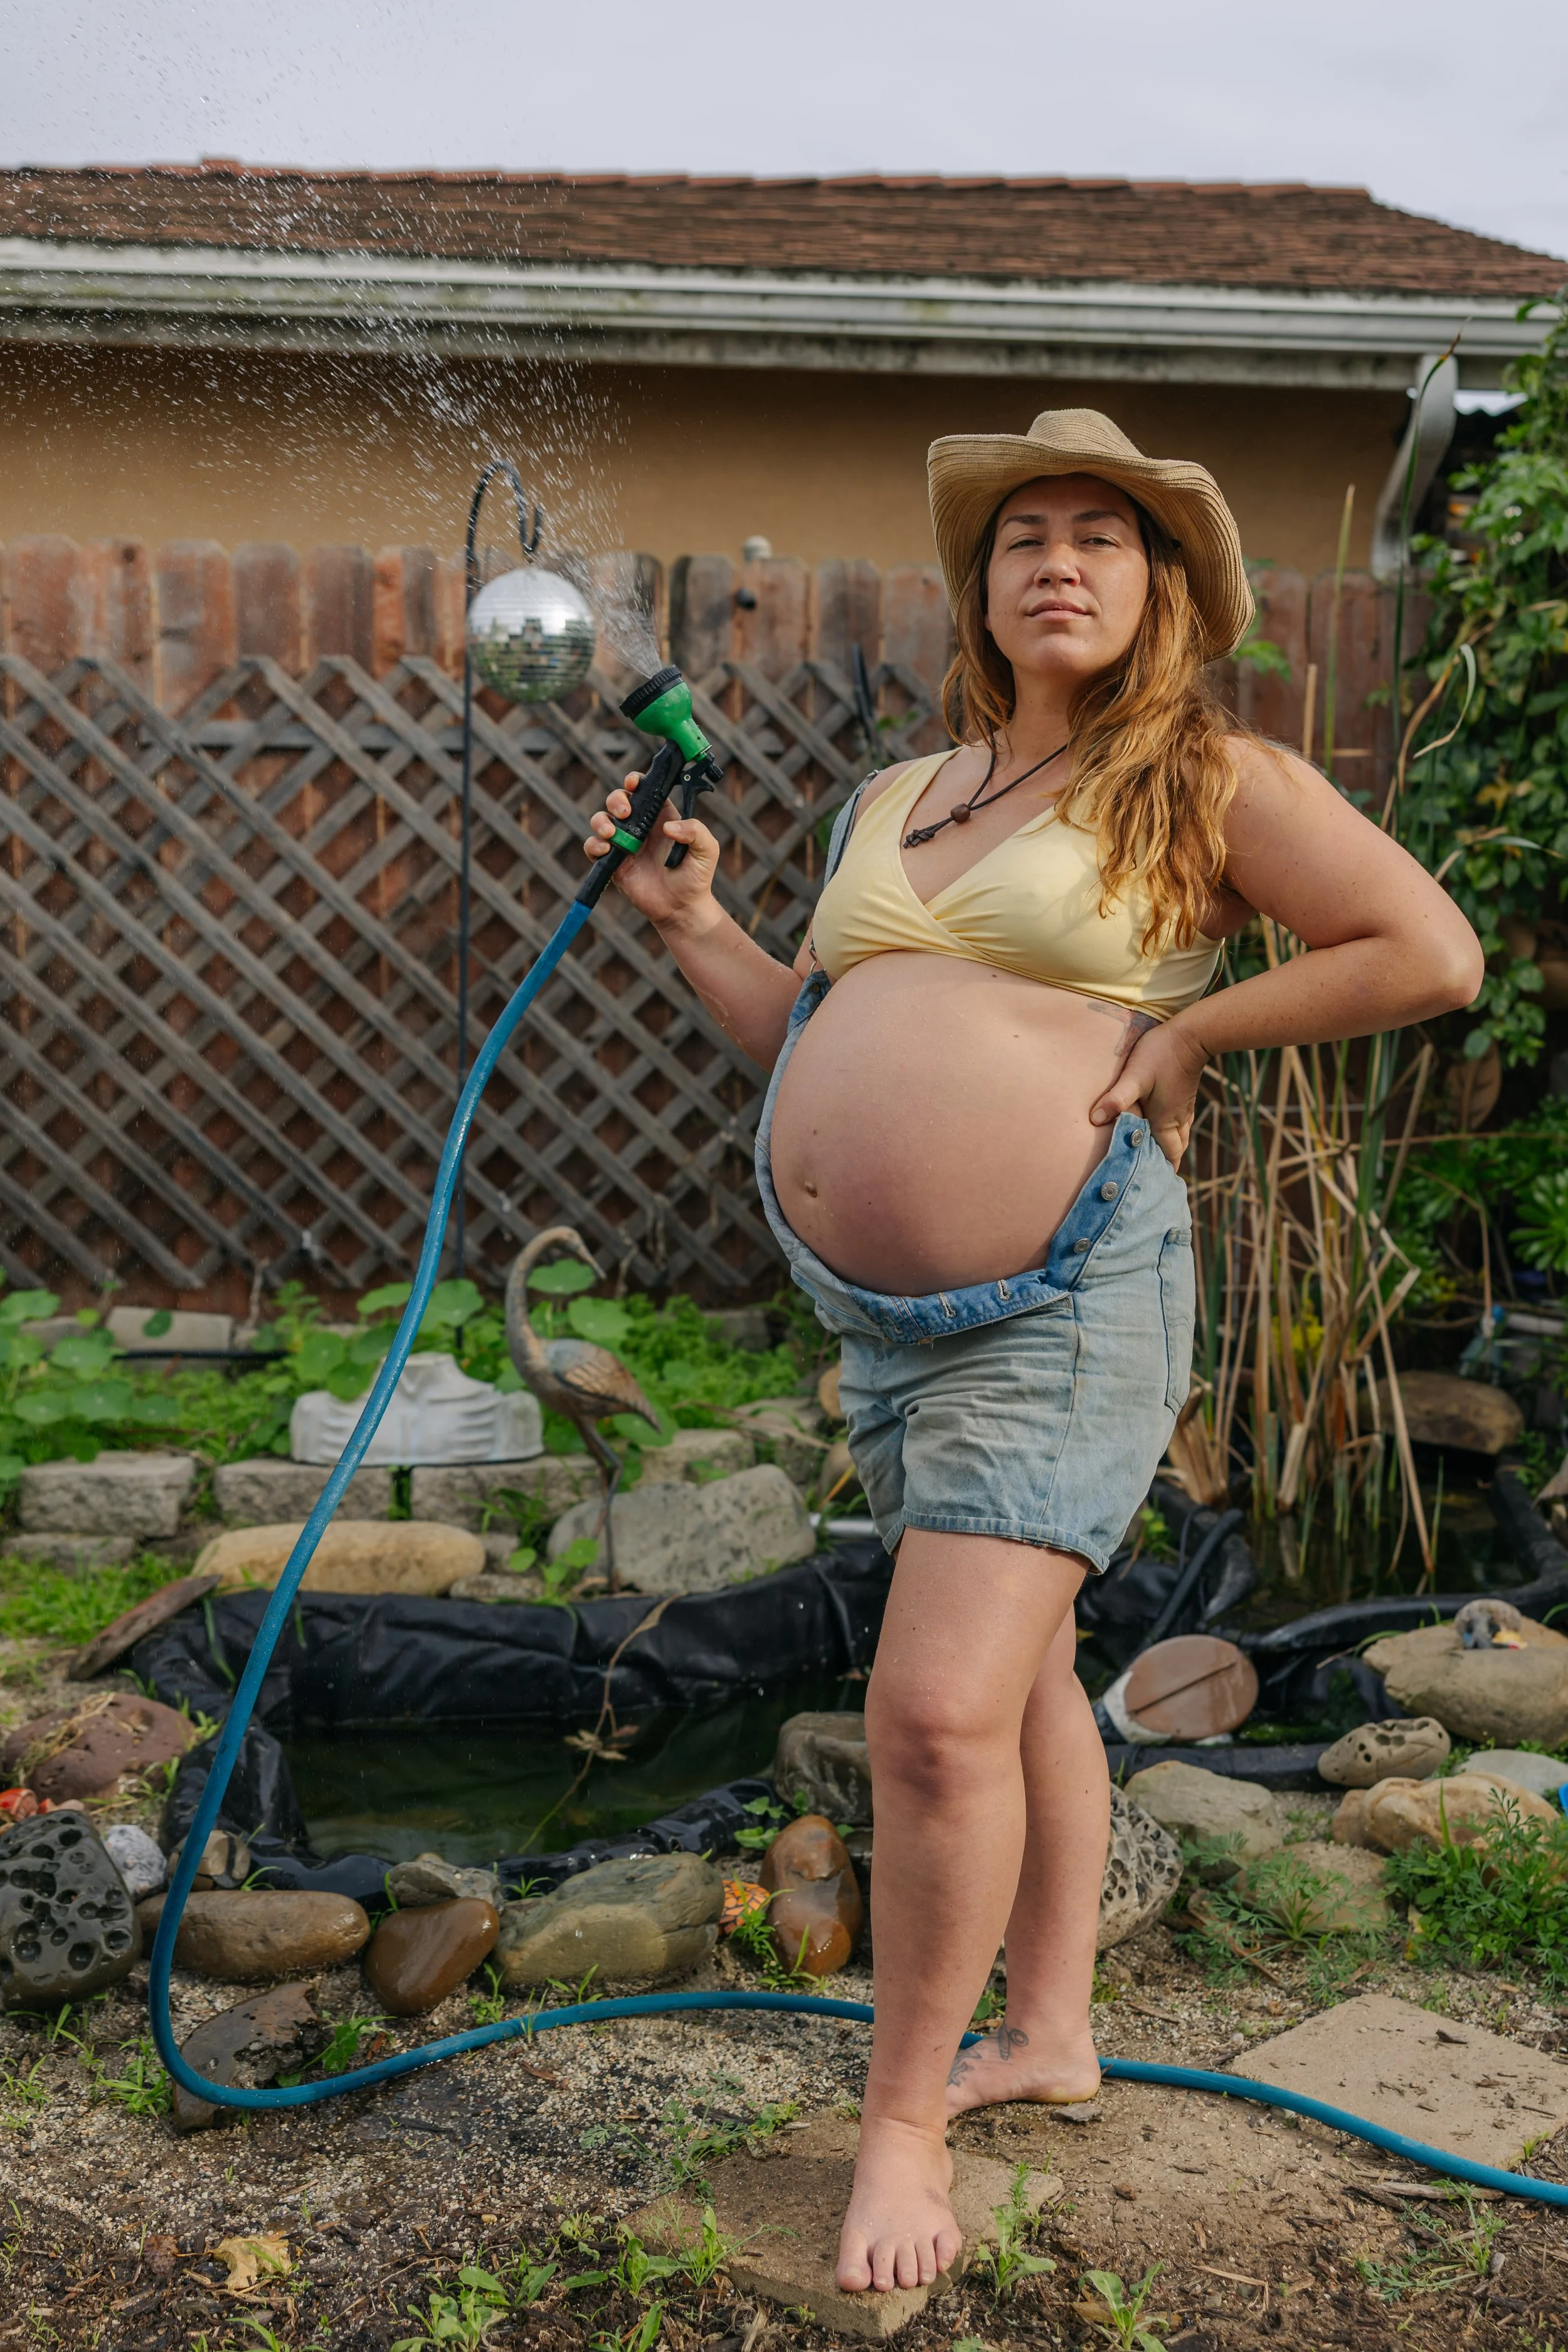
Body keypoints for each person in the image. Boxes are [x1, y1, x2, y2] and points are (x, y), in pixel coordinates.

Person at [581, 410, 1482, 2296]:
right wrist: (690, 924)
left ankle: (899, 2124)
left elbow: (1427, 949)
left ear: (1156, 588)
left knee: (925, 1716)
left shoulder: (1202, 776)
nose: (1054, 559)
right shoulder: (897, 792)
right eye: (1020, 538)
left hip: (1069, 1300)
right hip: (891, 1326)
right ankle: (1048, 2025)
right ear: (980, 591)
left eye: (1100, 535)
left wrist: (1201, 1031)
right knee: (1018, 1683)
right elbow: (814, 1039)